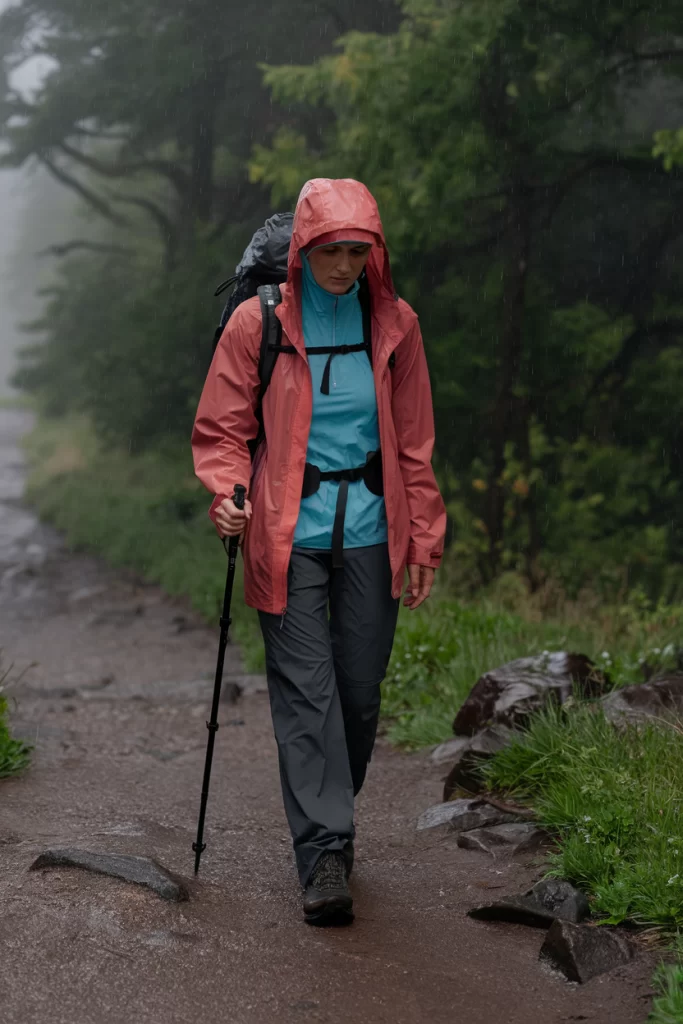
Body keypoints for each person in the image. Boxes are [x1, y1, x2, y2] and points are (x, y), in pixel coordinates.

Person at [192, 178, 447, 925]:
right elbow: (223, 428)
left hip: (374, 526)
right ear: (302, 248)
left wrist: (425, 534)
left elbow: (415, 439)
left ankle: (330, 817)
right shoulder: (256, 322)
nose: (343, 265)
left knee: (359, 696)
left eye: (356, 251)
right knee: (309, 695)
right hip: (285, 530)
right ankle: (324, 852)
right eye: (330, 251)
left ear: (374, 252)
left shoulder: (395, 324)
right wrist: (227, 493)